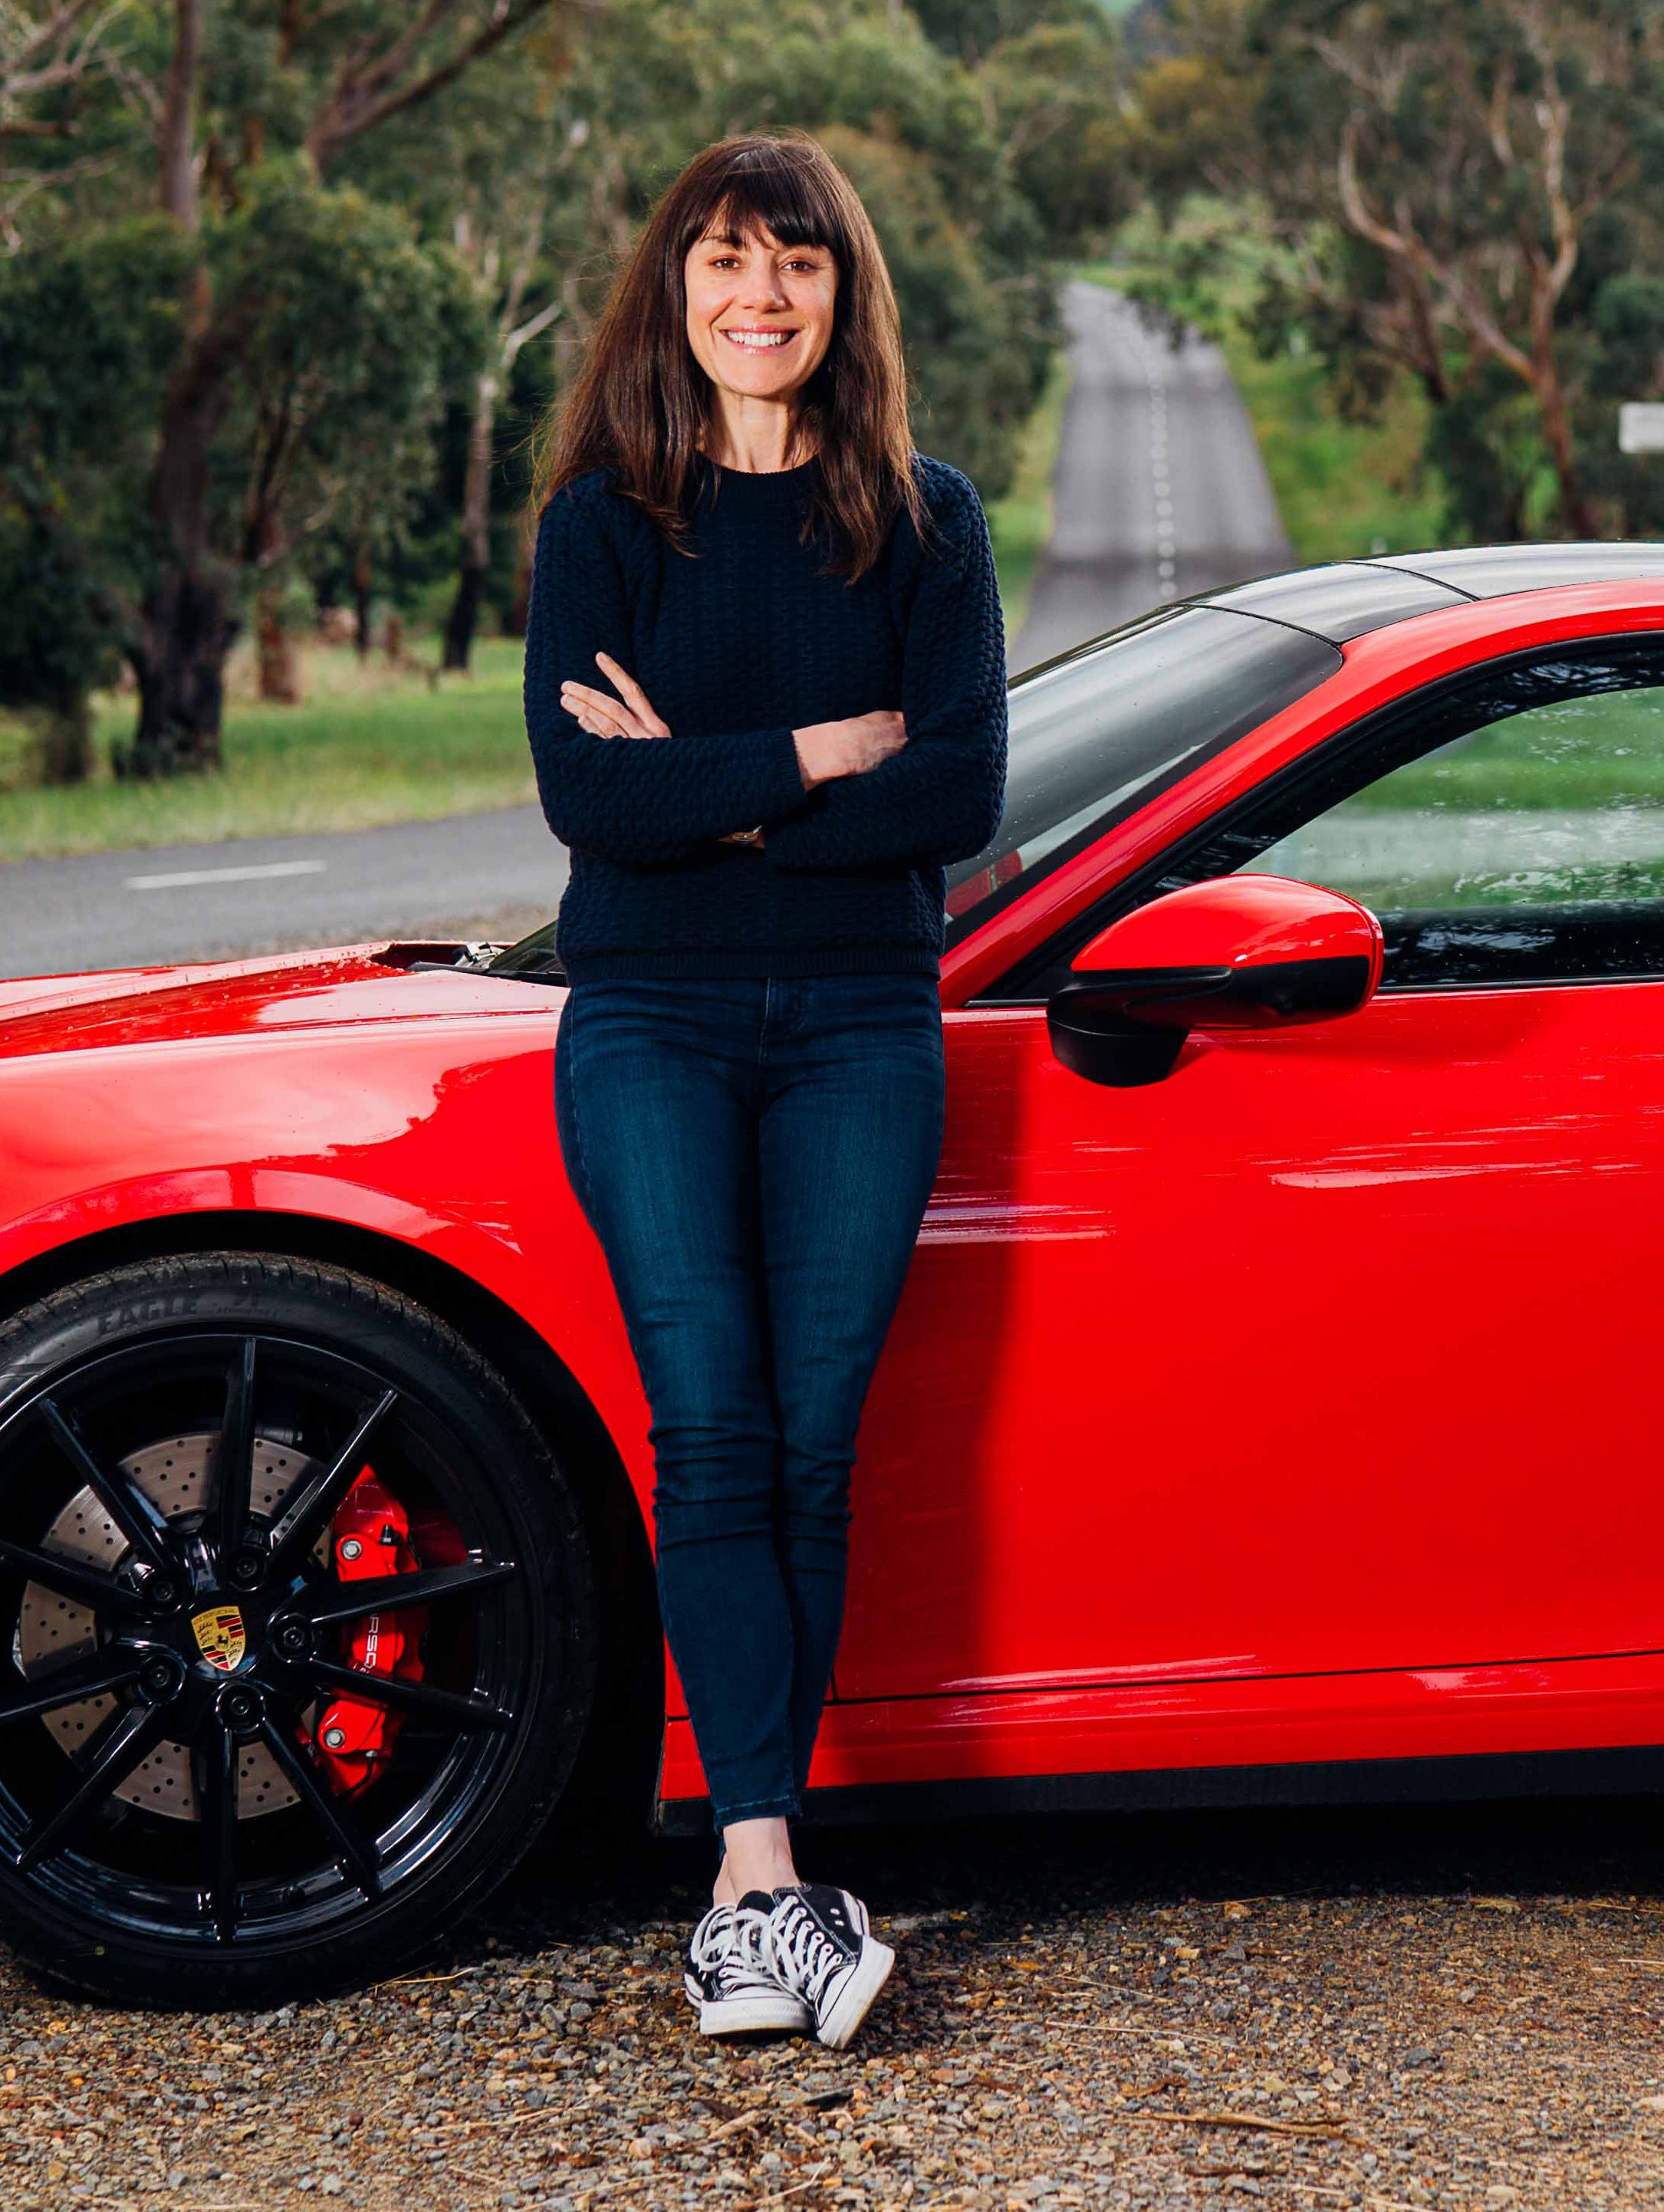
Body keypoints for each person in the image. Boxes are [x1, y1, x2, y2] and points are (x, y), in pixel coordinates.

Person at [521, 132, 1003, 2049]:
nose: (761, 298)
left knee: (814, 1440)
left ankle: (762, 1892)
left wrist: (707, 784)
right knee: (708, 1429)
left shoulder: (924, 520)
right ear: (676, 289)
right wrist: (820, 750)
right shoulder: (601, 525)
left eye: (796, 265)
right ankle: (756, 1872)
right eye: (728, 262)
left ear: (841, 294)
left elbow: (954, 801)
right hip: (650, 1023)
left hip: (865, 1032)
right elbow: (589, 807)